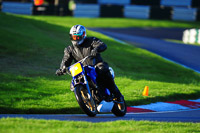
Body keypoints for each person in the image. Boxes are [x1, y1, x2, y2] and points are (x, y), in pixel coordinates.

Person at [56, 25, 123, 101]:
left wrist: (97, 49)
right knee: (75, 81)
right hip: (81, 70)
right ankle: (88, 97)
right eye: (74, 37)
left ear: (83, 35)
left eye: (78, 37)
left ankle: (117, 95)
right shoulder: (69, 49)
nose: (76, 39)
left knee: (102, 68)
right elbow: (65, 60)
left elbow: (102, 45)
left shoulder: (91, 40)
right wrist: (62, 68)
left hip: (95, 65)